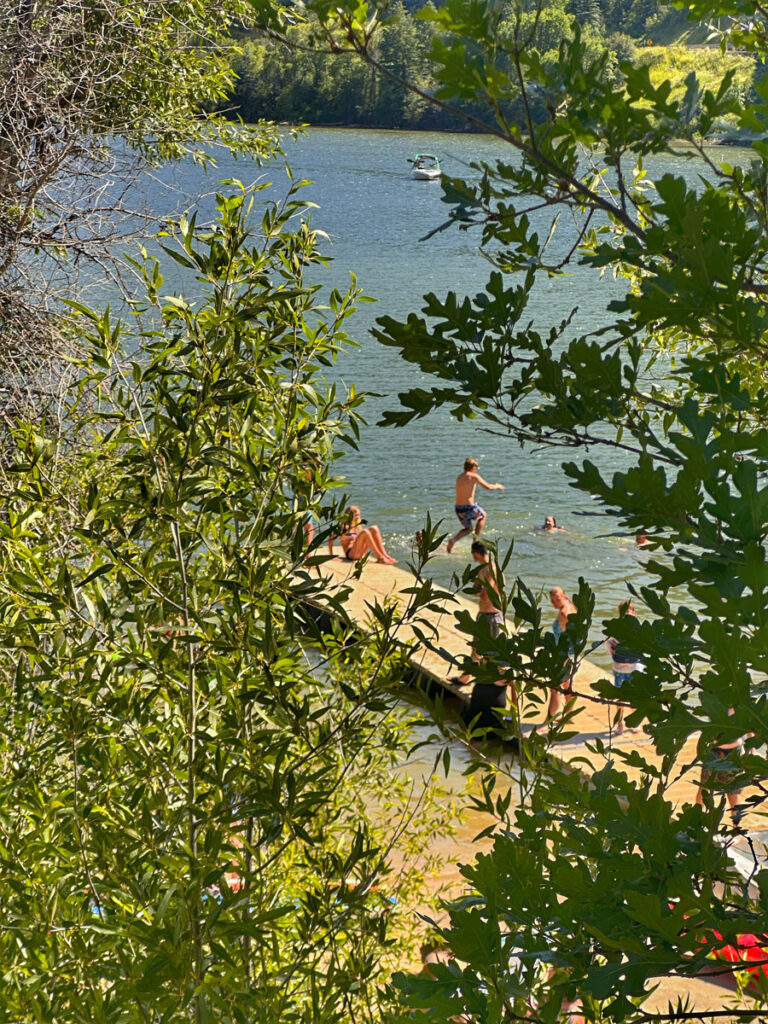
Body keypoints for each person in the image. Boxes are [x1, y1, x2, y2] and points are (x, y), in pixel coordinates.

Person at [455, 541, 517, 722]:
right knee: (476, 648)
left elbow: (484, 593)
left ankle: (512, 703)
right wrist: (479, 589)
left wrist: (480, 589)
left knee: (495, 655)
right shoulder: (482, 569)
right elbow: (476, 590)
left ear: (476, 553)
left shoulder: (492, 569)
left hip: (492, 616)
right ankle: (466, 676)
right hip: (483, 614)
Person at [696, 708, 752, 824]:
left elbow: (750, 730)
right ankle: (695, 821)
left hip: (733, 754)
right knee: (704, 790)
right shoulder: (717, 705)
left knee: (733, 795)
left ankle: (736, 828)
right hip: (714, 752)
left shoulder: (741, 707)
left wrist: (752, 751)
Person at [539, 586, 578, 727]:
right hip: (571, 653)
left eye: (557, 599)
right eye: (552, 601)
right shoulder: (571, 607)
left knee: (555, 688)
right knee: (567, 686)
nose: (555, 603)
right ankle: (569, 716)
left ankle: (547, 723)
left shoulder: (564, 613)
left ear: (564, 596)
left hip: (564, 655)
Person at [447, 458, 504, 553]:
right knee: (483, 515)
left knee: (468, 529)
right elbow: (488, 487)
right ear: (473, 468)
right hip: (468, 507)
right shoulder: (473, 476)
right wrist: (498, 486)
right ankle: (475, 540)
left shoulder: (459, 477)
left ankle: (453, 540)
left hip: (458, 508)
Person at [606, 600, 642, 735]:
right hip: (619, 668)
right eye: (623, 612)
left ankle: (635, 722)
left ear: (634, 612)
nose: (626, 615)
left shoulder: (638, 628)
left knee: (636, 696)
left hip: (635, 668)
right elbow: (608, 642)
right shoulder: (614, 629)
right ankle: (619, 723)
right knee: (620, 697)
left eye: (628, 612)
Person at [328, 505, 397, 564]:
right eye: (356, 515)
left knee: (374, 528)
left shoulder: (356, 524)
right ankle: (380, 557)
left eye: (359, 515)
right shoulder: (344, 527)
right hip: (351, 554)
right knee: (365, 532)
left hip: (359, 550)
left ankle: (385, 555)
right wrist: (331, 556)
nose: (358, 517)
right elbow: (330, 539)